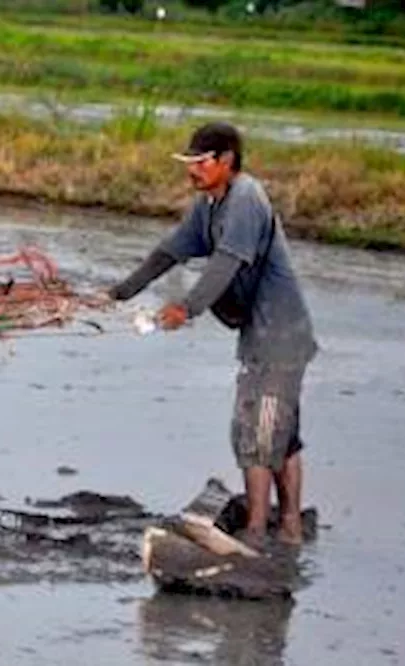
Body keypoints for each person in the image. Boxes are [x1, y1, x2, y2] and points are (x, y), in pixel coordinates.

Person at [105, 121, 318, 547]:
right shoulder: (210, 203)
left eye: (201, 163)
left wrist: (185, 308)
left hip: (279, 335)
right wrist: (121, 291)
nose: (193, 171)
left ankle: (260, 532)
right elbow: (172, 250)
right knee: (279, 434)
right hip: (259, 337)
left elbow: (225, 265)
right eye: (190, 163)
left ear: (227, 161)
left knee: (256, 434)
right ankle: (289, 526)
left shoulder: (245, 200)